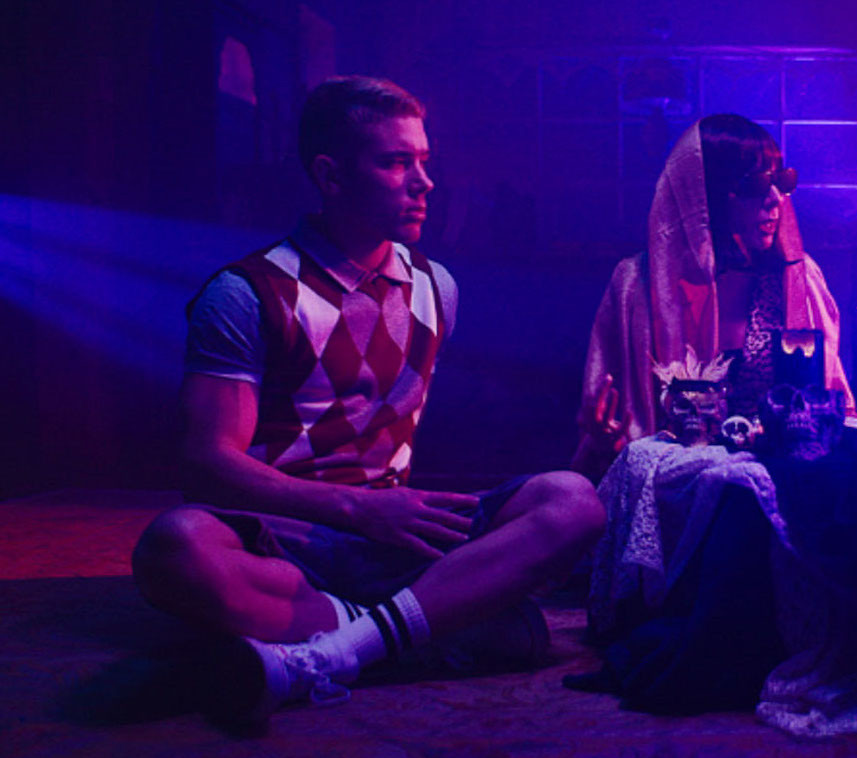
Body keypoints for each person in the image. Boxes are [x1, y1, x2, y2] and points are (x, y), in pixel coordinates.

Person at [130, 76, 604, 722]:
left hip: (397, 535)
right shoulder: (246, 293)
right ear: (331, 175)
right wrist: (356, 507)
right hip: (289, 540)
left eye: (424, 161)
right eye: (396, 162)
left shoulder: (437, 287)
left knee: (573, 500)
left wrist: (387, 513)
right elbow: (206, 464)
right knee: (174, 548)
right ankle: (438, 625)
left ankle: (339, 647)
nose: (424, 182)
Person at [573, 114, 854, 480]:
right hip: (668, 486)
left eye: (782, 181)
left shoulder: (796, 282)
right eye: (755, 184)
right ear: (703, 195)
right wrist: (607, 443)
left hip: (776, 483)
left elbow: (830, 410)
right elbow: (607, 430)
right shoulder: (636, 286)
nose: (775, 199)